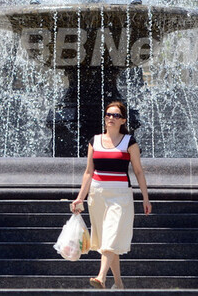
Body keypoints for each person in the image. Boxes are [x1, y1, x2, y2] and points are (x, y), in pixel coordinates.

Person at [71, 101, 151, 290]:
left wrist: (145, 198)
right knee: (107, 239)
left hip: (120, 195)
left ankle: (101, 277)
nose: (111, 118)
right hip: (97, 194)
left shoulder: (129, 142)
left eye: (116, 115)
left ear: (123, 120)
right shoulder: (95, 141)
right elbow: (88, 172)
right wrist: (80, 197)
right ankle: (119, 283)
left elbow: (138, 171)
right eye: (108, 114)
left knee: (111, 236)